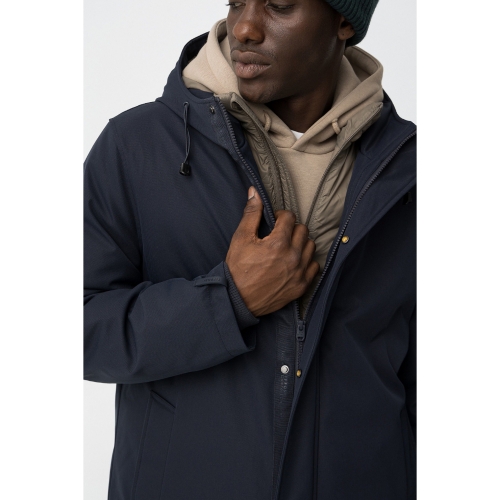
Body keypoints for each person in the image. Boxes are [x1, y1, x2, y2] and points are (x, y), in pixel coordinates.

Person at [84, 0, 416, 498]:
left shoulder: (408, 171)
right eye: (236, 2)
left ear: (344, 21)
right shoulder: (137, 146)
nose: (243, 27)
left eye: (279, 5)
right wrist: (227, 301)